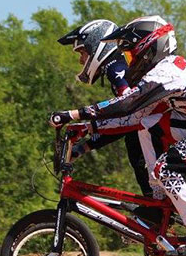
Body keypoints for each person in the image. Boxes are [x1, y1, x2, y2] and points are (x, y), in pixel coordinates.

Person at [50, 16, 186, 256]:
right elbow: (136, 118)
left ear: (148, 49)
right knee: (149, 126)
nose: (130, 61)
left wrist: (75, 114)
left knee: (167, 169)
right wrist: (88, 131)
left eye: (132, 54)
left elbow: (126, 105)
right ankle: (160, 200)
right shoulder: (165, 70)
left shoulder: (164, 73)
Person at [56, 19, 158, 200]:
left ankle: (165, 211)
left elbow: (128, 111)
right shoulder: (118, 64)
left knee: (138, 147)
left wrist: (79, 121)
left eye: (82, 53)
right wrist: (85, 146)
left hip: (157, 123)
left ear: (96, 47)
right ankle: (160, 210)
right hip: (152, 122)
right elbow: (125, 119)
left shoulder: (115, 66)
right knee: (135, 143)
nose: (81, 61)